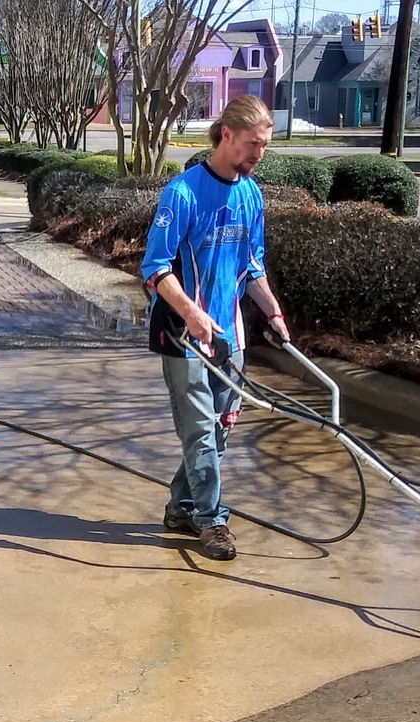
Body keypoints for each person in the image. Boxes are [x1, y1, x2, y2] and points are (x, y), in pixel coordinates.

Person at [140, 94, 291, 562]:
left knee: (220, 428)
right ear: (226, 135)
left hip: (230, 335)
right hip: (183, 335)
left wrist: (273, 312)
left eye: (264, 146)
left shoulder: (251, 193)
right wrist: (190, 311)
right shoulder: (182, 194)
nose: (258, 154)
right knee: (201, 432)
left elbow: (252, 265)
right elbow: (154, 267)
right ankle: (212, 520)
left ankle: (182, 506)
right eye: (252, 144)